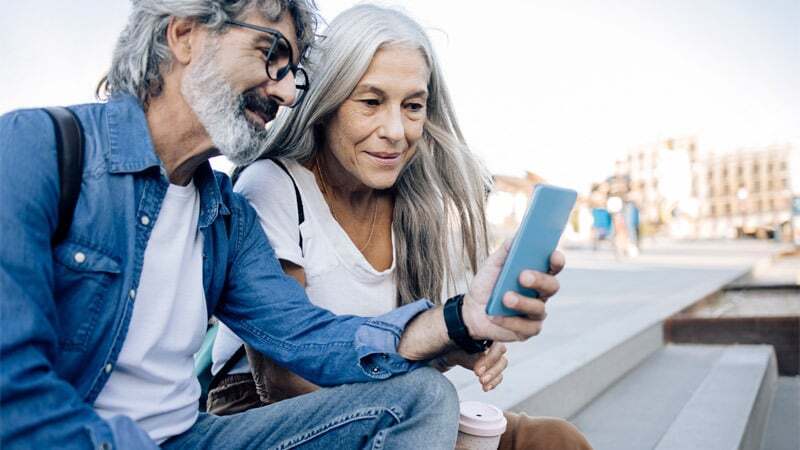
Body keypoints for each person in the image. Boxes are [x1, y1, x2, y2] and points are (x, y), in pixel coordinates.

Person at [0, 1, 564, 449]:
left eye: (292, 70)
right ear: (184, 33)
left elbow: (312, 339)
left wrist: (462, 319)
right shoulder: (37, 149)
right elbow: (13, 385)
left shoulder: (223, 216)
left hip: (191, 437)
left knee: (423, 398)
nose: (286, 90)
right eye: (271, 53)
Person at [210, 5, 592, 450]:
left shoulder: (411, 202)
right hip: (273, 416)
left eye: (413, 106)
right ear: (328, 102)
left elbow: (393, 354)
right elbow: (284, 380)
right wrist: (419, 399)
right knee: (427, 400)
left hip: (391, 406)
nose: (395, 130)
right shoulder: (274, 186)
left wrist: (454, 346)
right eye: (371, 102)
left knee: (553, 440)